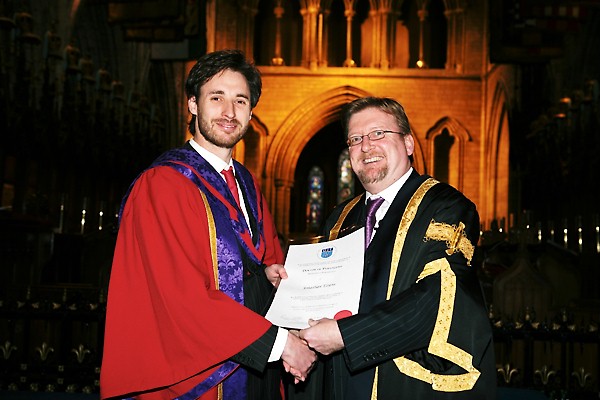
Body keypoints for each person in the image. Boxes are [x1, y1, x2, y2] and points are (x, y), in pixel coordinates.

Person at [100, 49, 316, 400]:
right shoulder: (163, 185)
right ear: (193, 105)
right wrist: (282, 346)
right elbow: (179, 298)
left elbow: (261, 258)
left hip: (257, 367)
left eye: (241, 101)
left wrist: (270, 276)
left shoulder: (247, 183)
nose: (229, 112)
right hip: (204, 373)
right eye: (217, 98)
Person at [299, 97, 496, 399]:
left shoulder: (446, 207)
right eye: (355, 139)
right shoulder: (339, 218)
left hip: (404, 383)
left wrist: (345, 335)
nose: (366, 146)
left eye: (378, 133)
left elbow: (438, 297)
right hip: (339, 382)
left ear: (408, 143)